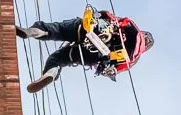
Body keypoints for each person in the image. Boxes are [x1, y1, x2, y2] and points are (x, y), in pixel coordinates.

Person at [16, 8, 153, 93]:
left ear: (143, 33)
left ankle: (35, 31)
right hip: (95, 55)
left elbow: (107, 15)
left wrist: (96, 14)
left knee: (59, 30)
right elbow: (117, 69)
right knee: (60, 58)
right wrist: (107, 70)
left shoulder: (131, 25)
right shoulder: (134, 58)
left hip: (92, 30)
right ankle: (51, 72)